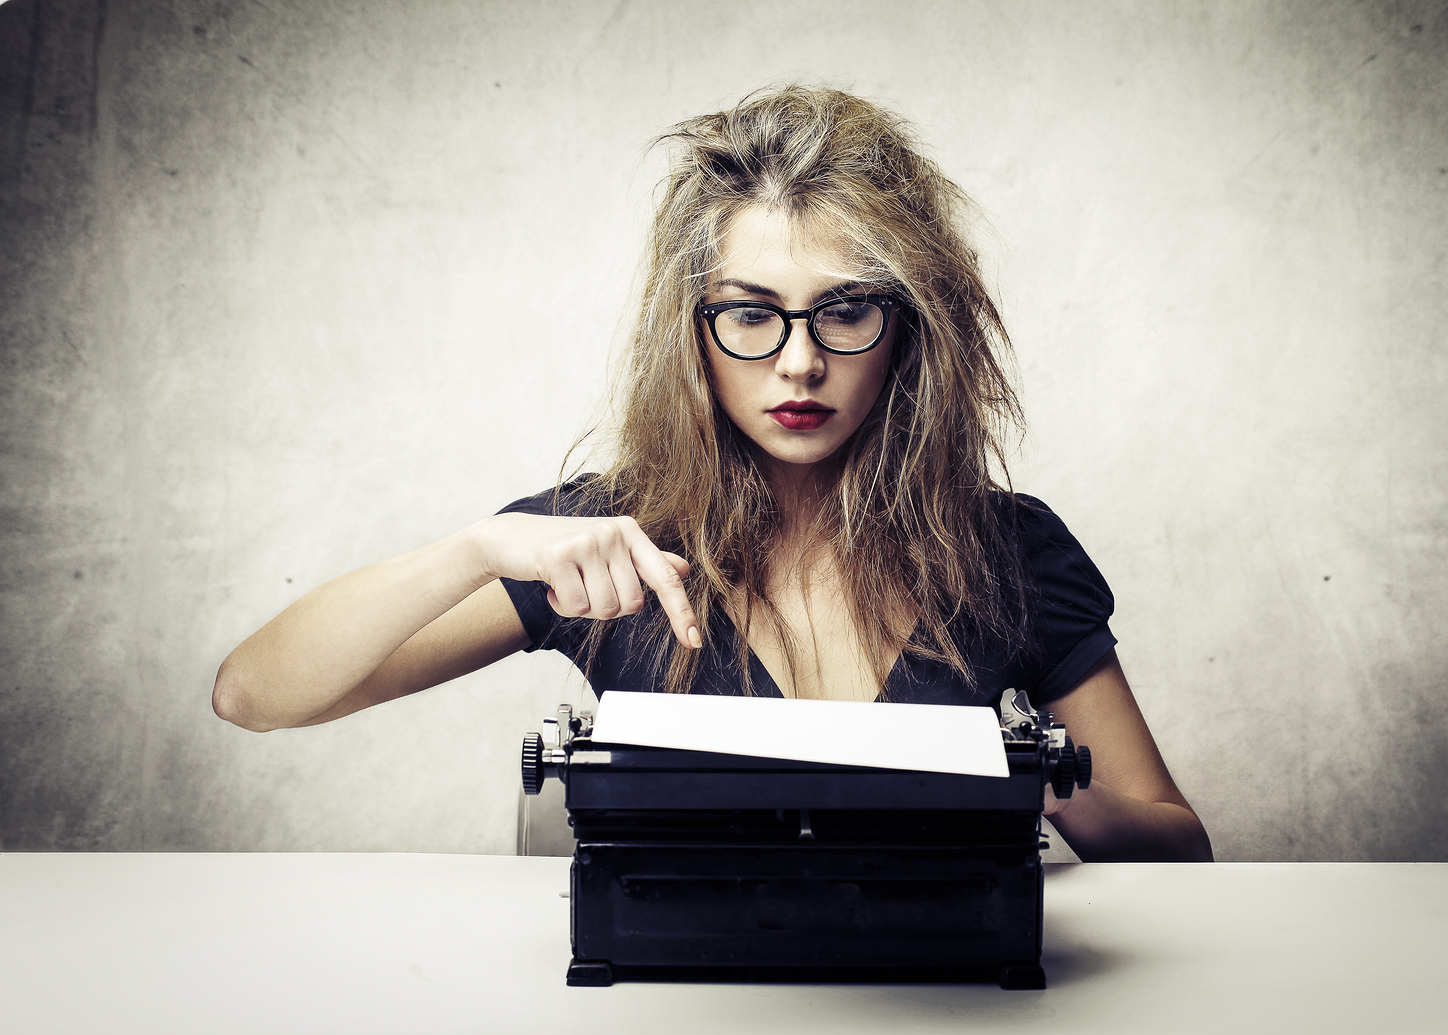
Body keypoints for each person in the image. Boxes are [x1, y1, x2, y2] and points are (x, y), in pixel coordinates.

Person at [213, 85, 1212, 863]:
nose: (798, 361)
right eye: (748, 312)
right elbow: (254, 694)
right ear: (689, 332)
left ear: (910, 328)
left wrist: (1012, 778)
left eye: (847, 309)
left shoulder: (1008, 549)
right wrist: (475, 549)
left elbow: (1176, 840)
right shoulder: (606, 540)